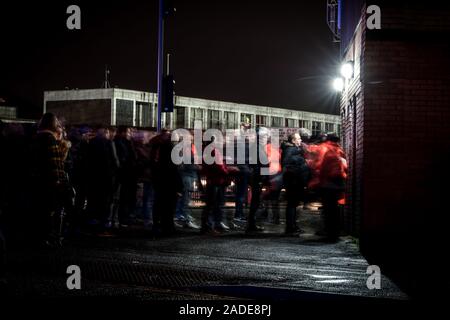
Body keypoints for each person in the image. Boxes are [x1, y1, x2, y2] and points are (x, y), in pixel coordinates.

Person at [29, 113, 70, 247]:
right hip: (49, 182)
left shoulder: (35, 138)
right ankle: (46, 238)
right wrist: (59, 181)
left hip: (36, 180)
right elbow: (56, 164)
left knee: (39, 210)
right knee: (49, 211)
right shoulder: (50, 140)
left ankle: (39, 237)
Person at [149, 129, 182, 236]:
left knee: (159, 204)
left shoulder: (157, 147)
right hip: (169, 182)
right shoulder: (170, 148)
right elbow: (174, 168)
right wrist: (179, 186)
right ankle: (168, 227)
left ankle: (158, 226)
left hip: (159, 180)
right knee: (169, 206)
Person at [318, 134, 347, 241]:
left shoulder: (326, 150)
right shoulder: (340, 150)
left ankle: (330, 232)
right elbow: (345, 167)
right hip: (339, 184)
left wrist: (318, 181)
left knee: (328, 209)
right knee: (335, 209)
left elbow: (321, 168)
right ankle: (336, 232)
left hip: (327, 184)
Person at [281, 132, 310, 235]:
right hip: (293, 182)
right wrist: (301, 162)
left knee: (294, 204)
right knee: (292, 204)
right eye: (298, 138)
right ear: (293, 141)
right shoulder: (290, 150)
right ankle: (290, 228)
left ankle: (293, 226)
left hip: (295, 181)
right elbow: (286, 162)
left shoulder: (296, 150)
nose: (300, 140)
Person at [114, 126, 138, 228]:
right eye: (128, 132)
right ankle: (121, 218)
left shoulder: (127, 142)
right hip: (124, 174)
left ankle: (124, 217)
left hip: (128, 174)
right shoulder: (120, 142)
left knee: (126, 197)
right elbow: (125, 157)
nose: (130, 134)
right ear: (123, 133)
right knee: (122, 197)